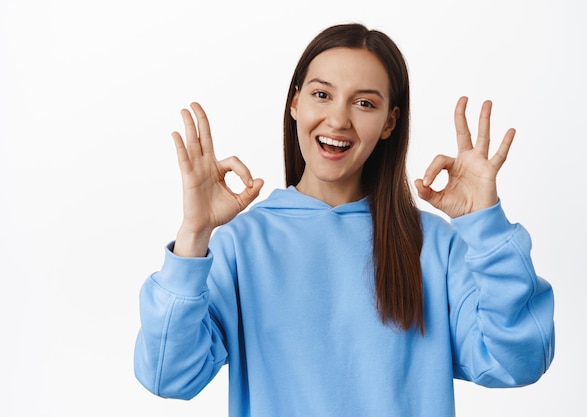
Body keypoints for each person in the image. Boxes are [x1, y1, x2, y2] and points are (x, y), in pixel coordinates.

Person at [134, 23, 555, 416]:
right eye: (322, 94)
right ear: (295, 102)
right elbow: (169, 376)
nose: (338, 119)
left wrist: (485, 224)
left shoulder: (432, 246)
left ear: (390, 121)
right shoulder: (240, 245)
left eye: (365, 103)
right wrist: (194, 235)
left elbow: (519, 361)